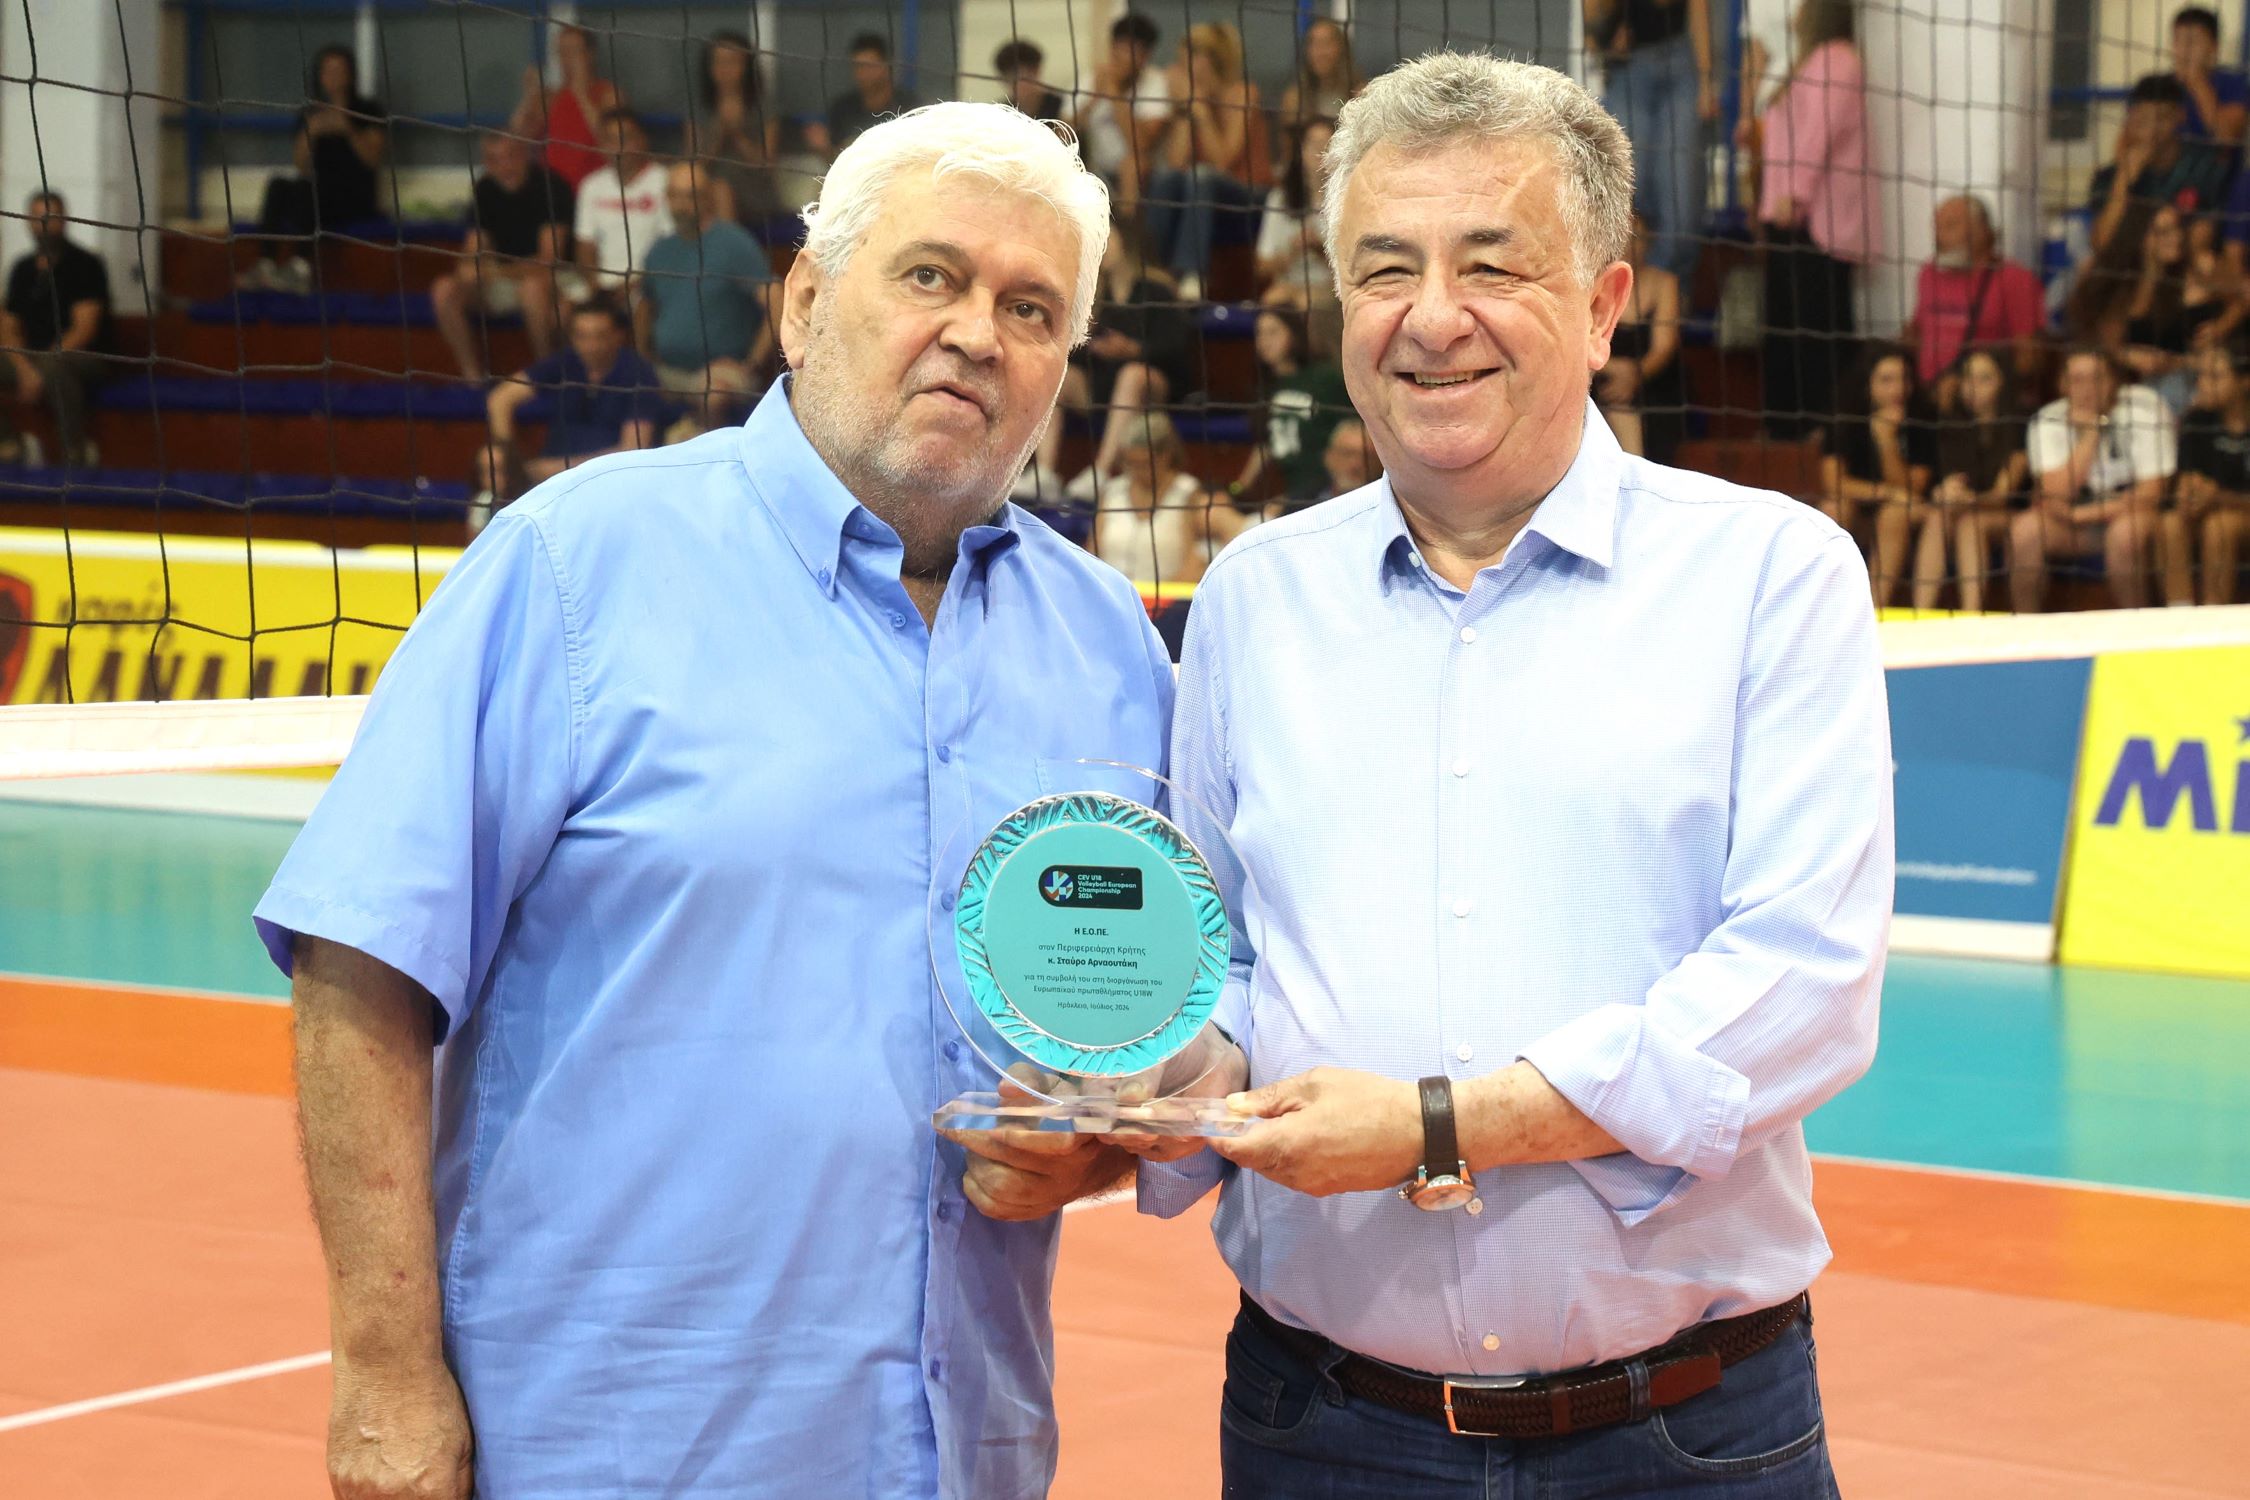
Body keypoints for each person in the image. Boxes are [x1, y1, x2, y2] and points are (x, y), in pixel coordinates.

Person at [256, 100, 1161, 1500]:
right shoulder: (574, 562)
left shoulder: (1108, 647)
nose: (977, 333)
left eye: (1030, 307)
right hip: (610, 1449)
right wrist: (383, 1370)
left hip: (958, 1452)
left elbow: (1150, 1007)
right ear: (804, 301)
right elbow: (360, 963)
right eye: (930, 275)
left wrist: (1100, 1145)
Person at [1124, 53, 1890, 1498]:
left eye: (1492, 264)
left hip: (1686, 1442)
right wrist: (1145, 1065)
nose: (1431, 318)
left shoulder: (1771, 576)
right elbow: (1222, 960)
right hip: (1317, 1430)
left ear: (1603, 305)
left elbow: (1803, 988)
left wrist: (1435, 1127)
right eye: (1383, 269)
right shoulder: (1250, 601)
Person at [1756, 0, 1877, 440]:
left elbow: (1816, 136)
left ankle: (1820, 427)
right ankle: (1786, 425)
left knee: (1815, 326)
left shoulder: (1838, 60)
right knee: (1787, 323)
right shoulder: (1813, 60)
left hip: (1814, 221)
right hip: (1793, 216)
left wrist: (1796, 194)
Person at [2012, 347, 2175, 611]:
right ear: (2062, 385)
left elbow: (2151, 494)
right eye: (2077, 380)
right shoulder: (2047, 419)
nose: (2087, 389)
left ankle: (2137, 624)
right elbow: (2055, 494)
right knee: (2025, 531)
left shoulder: (2145, 408)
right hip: (2077, 525)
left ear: (2113, 382)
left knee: (2123, 535)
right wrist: (2091, 432)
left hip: (2131, 517)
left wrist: (2080, 515)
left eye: (2096, 378)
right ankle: (2025, 625)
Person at [478, 295, 665, 504]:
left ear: (618, 336)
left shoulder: (639, 374)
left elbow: (632, 450)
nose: (591, 345)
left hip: (609, 484)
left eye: (599, 336)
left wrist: (557, 468)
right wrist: (511, 463)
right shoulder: (566, 362)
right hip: (552, 487)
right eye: (582, 336)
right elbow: (500, 399)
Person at [637, 162, 775, 434]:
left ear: (708, 197)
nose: (681, 205)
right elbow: (644, 308)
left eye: (690, 196)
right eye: (675, 196)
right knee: (625, 385)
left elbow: (776, 303)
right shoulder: (660, 250)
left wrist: (751, 364)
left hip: (723, 371)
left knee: (713, 394)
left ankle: (704, 450)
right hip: (668, 370)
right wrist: (643, 360)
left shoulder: (735, 243)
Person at [1588, 0, 1717, 283]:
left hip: (1680, 61)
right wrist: (1605, 40)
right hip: (1630, 67)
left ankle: (1671, 296)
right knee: (1629, 195)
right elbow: (1592, 23)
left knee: (1681, 203)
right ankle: (1627, 296)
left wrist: (1707, 82)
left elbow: (1699, 9)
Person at [242, 46, 388, 294]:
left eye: (339, 70)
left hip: (354, 197)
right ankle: (266, 264)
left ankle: (300, 270)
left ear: (351, 74)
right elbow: (301, 165)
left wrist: (347, 128)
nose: (334, 77)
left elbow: (372, 159)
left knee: (314, 189)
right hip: (317, 195)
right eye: (328, 71)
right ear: (319, 76)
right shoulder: (312, 113)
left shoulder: (367, 109)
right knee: (279, 185)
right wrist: (312, 131)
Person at [431, 134, 575, 381]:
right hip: (502, 281)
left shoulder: (552, 186)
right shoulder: (485, 189)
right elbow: (473, 251)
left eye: (511, 156)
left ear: (525, 155)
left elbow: (548, 261)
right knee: (444, 290)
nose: (505, 166)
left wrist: (493, 271)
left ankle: (546, 376)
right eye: (494, 160)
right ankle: (473, 378)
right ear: (486, 163)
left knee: (532, 290)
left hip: (554, 279)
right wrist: (470, 269)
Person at [1142, 22, 1270, 294]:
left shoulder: (1243, 93)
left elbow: (1223, 161)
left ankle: (1191, 273)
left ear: (1210, 60)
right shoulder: (1193, 101)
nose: (1180, 69)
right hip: (1204, 197)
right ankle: (1150, 268)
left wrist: (1199, 109)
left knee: (1201, 175)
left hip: (1249, 196)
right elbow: (1176, 165)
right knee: (1166, 177)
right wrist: (1186, 110)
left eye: (1187, 60)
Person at [0, 192, 111, 468]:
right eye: (37, 218)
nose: (44, 225)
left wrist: (42, 365)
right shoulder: (21, 269)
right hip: (33, 357)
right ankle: (9, 445)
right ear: (28, 221)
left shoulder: (86, 264)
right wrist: (24, 368)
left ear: (64, 220)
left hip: (84, 356)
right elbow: (8, 327)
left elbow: (84, 329)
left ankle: (74, 453)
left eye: (50, 218)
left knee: (56, 369)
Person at [1823, 344, 1937, 607]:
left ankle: (1874, 609)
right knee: (1833, 508)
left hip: (1912, 513)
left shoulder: (1923, 416)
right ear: (1867, 384)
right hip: (1863, 508)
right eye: (1886, 380)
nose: (1897, 389)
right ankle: (1824, 605)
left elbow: (1915, 488)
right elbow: (1834, 484)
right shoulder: (1844, 418)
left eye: (1904, 378)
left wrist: (1886, 441)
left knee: (1894, 513)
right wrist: (1886, 492)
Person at [1916, 346, 2029, 612]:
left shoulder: (2019, 426)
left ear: (2003, 383)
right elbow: (1952, 482)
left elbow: (2003, 495)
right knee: (1938, 515)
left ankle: (1971, 615)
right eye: (1968, 378)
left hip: (2015, 515)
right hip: (1968, 508)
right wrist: (1943, 492)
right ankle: (1919, 614)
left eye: (1984, 378)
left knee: (1970, 523)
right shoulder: (1952, 425)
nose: (1973, 387)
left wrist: (1968, 499)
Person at [1906, 195, 2046, 394]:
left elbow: (2029, 357)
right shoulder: (1928, 273)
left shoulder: (2015, 279)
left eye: (1950, 226)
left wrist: (1973, 386)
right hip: (1927, 394)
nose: (1939, 237)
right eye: (1936, 227)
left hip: (1984, 397)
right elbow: (1917, 332)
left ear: (1982, 231)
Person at [1091, 410, 1238, 586]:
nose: (1138, 472)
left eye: (1145, 464)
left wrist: (1162, 599)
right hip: (1111, 595)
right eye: (1131, 463)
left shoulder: (1188, 492)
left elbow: (1195, 562)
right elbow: (1091, 554)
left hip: (1167, 597)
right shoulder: (1112, 491)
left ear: (1166, 455)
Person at [1225, 306, 1349, 511]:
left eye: (1273, 332)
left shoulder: (1325, 378)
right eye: (1259, 333)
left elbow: (1352, 430)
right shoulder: (1267, 388)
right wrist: (1239, 487)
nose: (1264, 340)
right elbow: (1265, 445)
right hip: (1293, 489)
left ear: (1294, 333)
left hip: (1329, 486)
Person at [2089, 73, 2228, 256]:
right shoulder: (2109, 175)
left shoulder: (2203, 166)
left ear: (2180, 116)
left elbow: (2203, 238)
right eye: (2143, 120)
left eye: (2161, 118)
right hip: (2129, 264)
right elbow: (2102, 244)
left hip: (2180, 262)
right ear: (2130, 118)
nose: (2152, 129)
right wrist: (2123, 179)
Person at [2162, 339, 2250, 602]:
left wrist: (2219, 497)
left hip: (2235, 513)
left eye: (2215, 377)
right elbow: (2186, 480)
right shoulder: (2196, 420)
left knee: (2219, 526)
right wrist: (2188, 493)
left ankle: (2214, 615)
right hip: (2210, 510)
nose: (2202, 384)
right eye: (2200, 375)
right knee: (2171, 523)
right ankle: (2180, 613)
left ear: (2244, 381)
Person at [1598, 211, 1685, 462]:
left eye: (1636, 239)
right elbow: (1578, 345)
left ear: (1649, 243)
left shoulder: (1664, 281)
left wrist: (1635, 374)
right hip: (1599, 376)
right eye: (1622, 238)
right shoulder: (1593, 282)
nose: (1628, 246)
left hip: (1652, 381)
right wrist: (1612, 369)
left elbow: (1664, 347)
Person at [687, 29, 783, 227]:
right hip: (707, 186)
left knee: (721, 186)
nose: (725, 69)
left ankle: (726, 244)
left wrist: (736, 135)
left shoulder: (764, 106)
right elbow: (693, 166)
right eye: (718, 62)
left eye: (732, 62)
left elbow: (765, 163)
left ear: (746, 66)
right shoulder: (700, 108)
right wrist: (718, 135)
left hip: (755, 188)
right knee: (708, 187)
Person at [510, 23, 621, 191]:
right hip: (554, 189)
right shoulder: (551, 97)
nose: (566, 59)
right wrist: (527, 98)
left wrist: (581, 95)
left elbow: (612, 141)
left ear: (590, 54)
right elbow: (518, 136)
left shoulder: (608, 94)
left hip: (594, 188)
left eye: (573, 52)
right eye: (561, 52)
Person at [572, 109, 673, 291]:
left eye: (626, 138)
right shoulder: (591, 185)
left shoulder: (666, 182)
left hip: (652, 286)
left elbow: (673, 247)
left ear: (643, 140)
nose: (619, 147)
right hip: (602, 286)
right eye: (610, 140)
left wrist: (637, 285)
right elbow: (585, 245)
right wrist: (596, 285)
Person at [1074, 15, 1172, 200]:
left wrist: (1114, 93)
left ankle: (1128, 217)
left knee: (1132, 165)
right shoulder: (1093, 78)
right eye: (1119, 49)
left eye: (1131, 51)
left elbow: (1141, 144)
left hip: (1144, 174)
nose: (1123, 58)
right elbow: (1062, 133)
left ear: (1146, 56)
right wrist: (1093, 100)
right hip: (1094, 168)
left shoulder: (1156, 82)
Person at [1254, 117, 1337, 301]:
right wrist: (1292, 251)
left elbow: (1356, 267)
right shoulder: (1279, 199)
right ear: (1301, 150)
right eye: (1313, 144)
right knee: (1273, 300)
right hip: (1288, 284)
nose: (1319, 152)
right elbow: (1262, 267)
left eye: (1326, 145)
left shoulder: (1347, 199)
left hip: (1330, 288)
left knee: (1306, 301)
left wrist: (1320, 249)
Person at [812, 33, 924, 159]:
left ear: (887, 66)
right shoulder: (842, 109)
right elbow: (835, 161)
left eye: (869, 66)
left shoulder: (911, 108)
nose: (863, 73)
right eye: (858, 66)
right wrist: (824, 148)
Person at [2171, 7, 2248, 152]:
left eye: (2192, 41)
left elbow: (2227, 138)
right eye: (2177, 40)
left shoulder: (2233, 83)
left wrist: (2197, 82)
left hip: (2216, 165)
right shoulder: (2159, 84)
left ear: (2214, 47)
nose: (2183, 49)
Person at [1275, 18, 1364, 135]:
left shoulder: (1359, 96)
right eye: (1313, 44)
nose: (1319, 52)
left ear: (1341, 48)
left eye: (1326, 43)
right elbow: (1288, 144)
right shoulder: (1294, 99)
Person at [995, 39, 1064, 121]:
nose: (1022, 84)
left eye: (1028, 75)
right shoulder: (1000, 112)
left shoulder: (1063, 107)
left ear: (1038, 71)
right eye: (1013, 76)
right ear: (1003, 80)